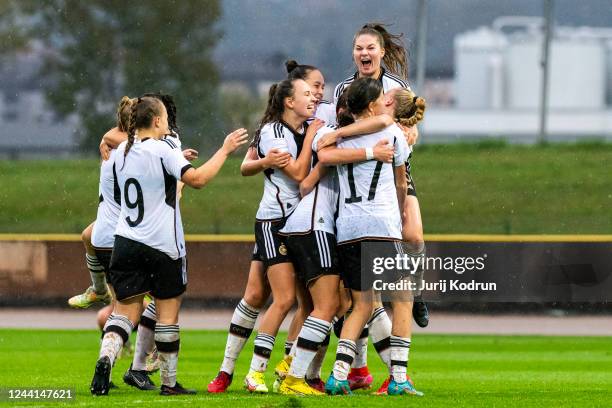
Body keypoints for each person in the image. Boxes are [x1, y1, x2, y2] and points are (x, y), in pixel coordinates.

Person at [89, 96, 247, 396]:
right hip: (162, 244)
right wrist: (225, 150)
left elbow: (146, 180)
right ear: (158, 121)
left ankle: (106, 357)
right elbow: (198, 179)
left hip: (126, 241)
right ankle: (169, 383)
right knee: (167, 313)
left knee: (123, 313)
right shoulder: (164, 149)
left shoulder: (121, 152)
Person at [332, 22, 429, 393]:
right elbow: (335, 129)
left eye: (370, 47)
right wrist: (365, 133)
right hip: (364, 177)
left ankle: (414, 294)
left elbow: (410, 127)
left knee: (414, 236)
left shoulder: (399, 89)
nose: (364, 53)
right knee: (359, 297)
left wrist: (411, 130)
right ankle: (363, 371)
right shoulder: (345, 91)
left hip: (393, 171)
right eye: (359, 48)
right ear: (354, 52)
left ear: (382, 51)